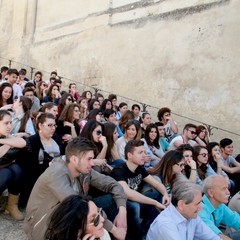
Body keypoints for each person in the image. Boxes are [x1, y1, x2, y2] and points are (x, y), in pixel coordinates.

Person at [24, 137, 127, 240]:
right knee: (95, 221)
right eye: (89, 159)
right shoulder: (56, 173)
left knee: (113, 201)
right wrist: (114, 229)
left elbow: (113, 184)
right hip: (43, 225)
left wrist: (122, 212)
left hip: (71, 216)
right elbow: (78, 208)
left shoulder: (82, 170)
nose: (92, 163)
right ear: (74, 159)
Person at [111, 139, 170, 239]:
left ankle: (146, 229)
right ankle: (137, 236)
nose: (144, 155)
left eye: (144, 152)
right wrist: (154, 203)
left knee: (159, 194)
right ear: (129, 155)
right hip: (122, 203)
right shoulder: (119, 171)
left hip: (137, 199)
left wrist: (165, 194)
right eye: (140, 152)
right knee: (135, 206)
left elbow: (156, 184)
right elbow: (128, 193)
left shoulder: (139, 168)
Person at [147, 175, 221, 240]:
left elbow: (213, 237)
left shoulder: (191, 216)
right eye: (197, 204)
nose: (200, 208)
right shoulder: (165, 225)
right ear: (181, 204)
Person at [19, 113, 62, 207]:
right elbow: (28, 167)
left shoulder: (55, 138)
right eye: (49, 125)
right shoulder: (32, 141)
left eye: (54, 125)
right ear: (40, 125)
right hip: (39, 180)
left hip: (57, 174)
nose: (53, 128)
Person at [45, 195, 111, 240]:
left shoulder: (103, 234)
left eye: (99, 212)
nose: (102, 219)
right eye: (95, 220)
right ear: (78, 232)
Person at [0, 110, 26, 220]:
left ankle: (11, 206)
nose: (9, 126)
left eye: (10, 123)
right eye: (6, 123)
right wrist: (9, 144)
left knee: (16, 169)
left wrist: (4, 141)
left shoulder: (4, 137)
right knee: (7, 172)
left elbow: (22, 142)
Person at [199, 175, 240, 240]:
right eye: (224, 189)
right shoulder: (200, 209)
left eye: (228, 188)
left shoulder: (220, 206)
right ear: (211, 192)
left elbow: (236, 220)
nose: (228, 193)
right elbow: (216, 237)